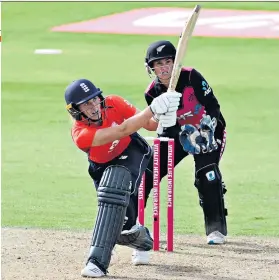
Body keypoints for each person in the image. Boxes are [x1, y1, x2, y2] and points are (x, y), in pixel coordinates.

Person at [64, 78, 181, 278]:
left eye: (94, 99)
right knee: (121, 226)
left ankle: (97, 263)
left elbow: (150, 125)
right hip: (102, 167)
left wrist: (165, 115)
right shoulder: (80, 134)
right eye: (86, 104)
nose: (94, 106)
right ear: (75, 110)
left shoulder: (114, 102)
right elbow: (121, 130)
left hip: (133, 150)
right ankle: (142, 240)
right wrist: (151, 109)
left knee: (114, 190)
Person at [142, 40, 228, 245]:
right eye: (158, 64)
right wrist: (166, 122)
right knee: (147, 172)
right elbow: (159, 125)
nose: (164, 68)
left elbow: (213, 106)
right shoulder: (152, 93)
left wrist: (207, 128)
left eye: (168, 62)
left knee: (207, 175)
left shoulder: (191, 76)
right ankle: (131, 225)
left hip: (208, 130)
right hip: (178, 135)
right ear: (151, 68)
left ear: (175, 62)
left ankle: (216, 230)